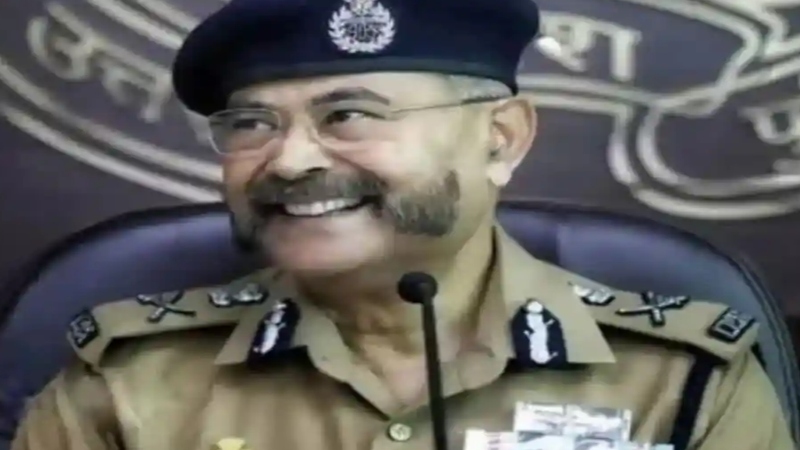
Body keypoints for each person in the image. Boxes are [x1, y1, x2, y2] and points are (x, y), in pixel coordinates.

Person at [10, 0, 796, 448]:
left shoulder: (679, 378)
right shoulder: (128, 380)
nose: (288, 161)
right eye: (251, 124)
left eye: (349, 114)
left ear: (501, 138)